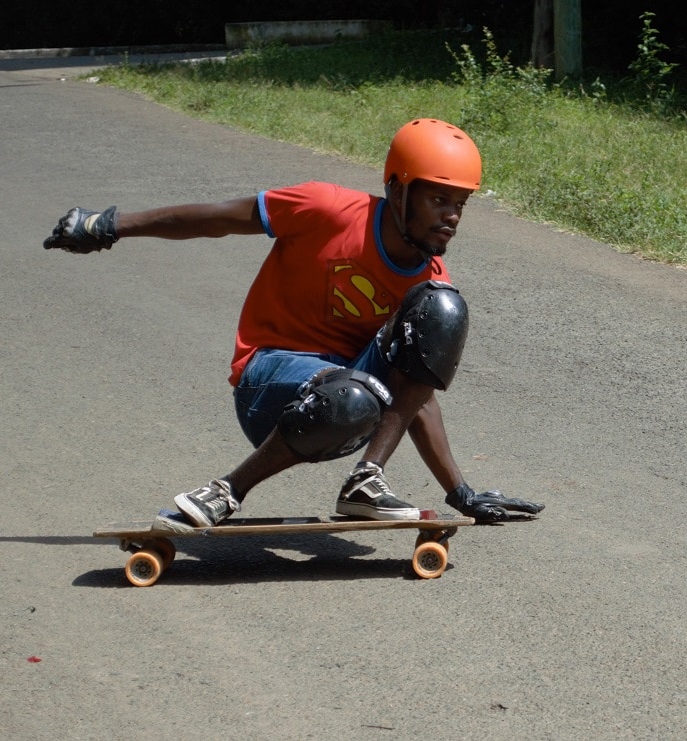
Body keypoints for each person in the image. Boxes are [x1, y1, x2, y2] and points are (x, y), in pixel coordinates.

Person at [44, 118, 544, 526]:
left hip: (350, 402)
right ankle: (227, 490)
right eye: (438, 199)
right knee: (355, 388)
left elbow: (417, 394)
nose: (452, 216)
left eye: (460, 204)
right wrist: (109, 225)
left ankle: (366, 481)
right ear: (398, 190)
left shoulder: (429, 278)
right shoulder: (327, 209)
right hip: (269, 385)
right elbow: (218, 218)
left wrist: (460, 492)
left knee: (440, 309)